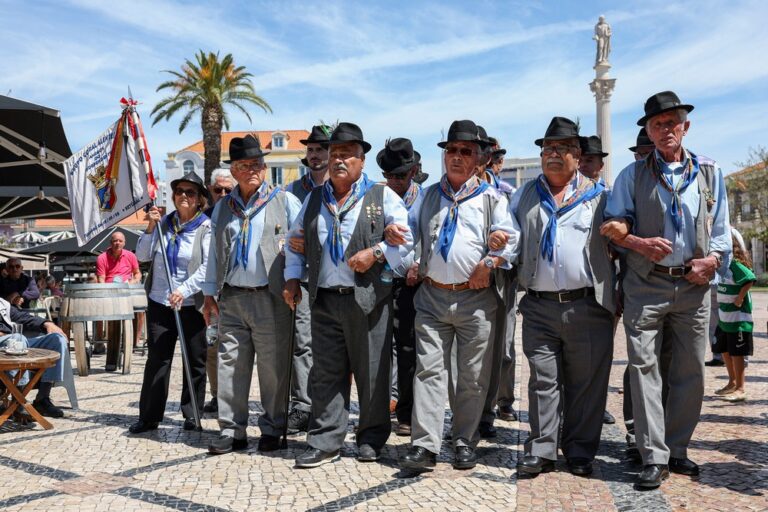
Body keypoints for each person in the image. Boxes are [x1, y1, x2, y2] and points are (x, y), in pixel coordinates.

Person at [602, 91, 731, 489]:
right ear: (649, 132)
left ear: (685, 126)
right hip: (646, 284)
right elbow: (612, 224)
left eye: (671, 123)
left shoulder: (710, 172)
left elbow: (722, 233)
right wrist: (639, 243)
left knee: (690, 368)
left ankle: (677, 448)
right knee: (644, 369)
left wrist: (711, 260)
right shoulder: (632, 174)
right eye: (657, 125)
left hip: (692, 286)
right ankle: (652, 455)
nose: (665, 130)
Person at [283, 122, 413, 468]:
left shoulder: (382, 196)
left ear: (362, 160)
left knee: (372, 372)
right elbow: (294, 243)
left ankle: (371, 436)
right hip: (324, 298)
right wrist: (293, 279)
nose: (340, 160)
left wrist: (377, 253)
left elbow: (408, 245)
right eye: (335, 154)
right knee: (325, 372)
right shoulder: (313, 199)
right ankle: (326, 440)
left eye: (348, 155)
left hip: (368, 298)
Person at [398, 120, 519, 472]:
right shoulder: (429, 196)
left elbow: (510, 239)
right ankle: (425, 446)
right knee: (428, 373)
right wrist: (412, 259)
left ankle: (464, 439)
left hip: (475, 300)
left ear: (479, 158)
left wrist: (491, 259)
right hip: (433, 297)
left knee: (472, 376)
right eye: (451, 150)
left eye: (465, 151)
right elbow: (410, 236)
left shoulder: (492, 198)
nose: (456, 156)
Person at [512, 117, 614, 478]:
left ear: (577, 155)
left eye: (562, 148)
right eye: (547, 149)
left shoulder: (601, 196)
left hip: (586, 303)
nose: (553, 155)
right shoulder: (525, 195)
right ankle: (541, 448)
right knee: (543, 379)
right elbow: (509, 237)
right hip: (539, 305)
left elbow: (618, 245)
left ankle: (580, 450)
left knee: (586, 384)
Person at [203, 134, 302, 455]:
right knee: (230, 364)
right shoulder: (223, 208)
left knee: (272, 368)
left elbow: (301, 245)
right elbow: (213, 255)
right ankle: (232, 430)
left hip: (270, 296)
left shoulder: (284, 201)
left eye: (258, 164)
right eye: (245, 165)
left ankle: (273, 427)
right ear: (234, 170)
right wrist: (208, 294)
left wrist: (294, 279)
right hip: (232, 297)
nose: (253, 170)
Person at [129, 171, 211, 434]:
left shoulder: (205, 227)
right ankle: (150, 416)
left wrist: (184, 290)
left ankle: (192, 413)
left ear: (200, 199)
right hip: (160, 302)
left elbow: (208, 266)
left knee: (194, 360)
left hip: (190, 305)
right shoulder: (163, 223)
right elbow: (142, 256)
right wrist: (150, 227)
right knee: (158, 359)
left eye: (190, 192)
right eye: (179, 192)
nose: (184, 196)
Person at [283, 124, 332, 435]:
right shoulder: (293, 191)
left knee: (332, 346)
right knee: (302, 344)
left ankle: (327, 405)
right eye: (311, 150)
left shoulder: (341, 186)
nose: (314, 155)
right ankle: (302, 405)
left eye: (320, 150)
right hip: (303, 279)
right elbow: (290, 236)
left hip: (333, 278)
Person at [377, 137, 423, 437]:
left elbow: (433, 237)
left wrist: (420, 263)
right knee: (378, 351)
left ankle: (407, 412)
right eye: (390, 176)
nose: (394, 181)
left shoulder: (427, 199)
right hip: (380, 284)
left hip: (412, 286)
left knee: (408, 352)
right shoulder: (375, 198)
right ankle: (379, 411)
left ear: (415, 171)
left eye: (401, 175)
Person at [477, 134, 520, 437]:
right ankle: (478, 411)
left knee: (502, 347)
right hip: (467, 280)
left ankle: (501, 401)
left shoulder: (506, 193)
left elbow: (515, 238)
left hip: (501, 278)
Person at [0, 297, 69, 418]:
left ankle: (42, 399)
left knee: (56, 339)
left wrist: (46, 323)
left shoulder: (2, 303)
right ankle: (19, 401)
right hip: (8, 342)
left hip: (12, 341)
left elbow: (22, 317)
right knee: (18, 338)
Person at [202, 167, 235, 415]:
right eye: (218, 189)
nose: (223, 193)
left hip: (242, 293)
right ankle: (217, 396)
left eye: (228, 189)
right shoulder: (204, 219)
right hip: (214, 295)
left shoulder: (240, 213)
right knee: (213, 349)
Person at [713, 228, 755, 402]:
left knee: (737, 352)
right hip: (724, 318)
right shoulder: (721, 265)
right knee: (723, 349)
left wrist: (739, 299)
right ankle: (732, 381)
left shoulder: (734, 264)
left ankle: (741, 387)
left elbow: (750, 278)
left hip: (738, 319)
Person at [96, 231, 143, 355]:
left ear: (124, 243)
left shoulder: (130, 256)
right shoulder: (102, 258)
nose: (117, 243)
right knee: (98, 310)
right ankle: (99, 341)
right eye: (115, 241)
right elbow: (101, 278)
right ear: (110, 243)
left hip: (127, 289)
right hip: (109, 290)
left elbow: (137, 273)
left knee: (140, 310)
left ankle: (136, 341)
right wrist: (104, 290)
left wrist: (133, 282)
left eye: (120, 241)